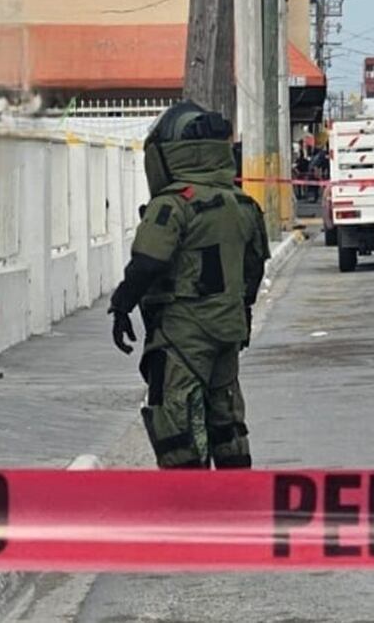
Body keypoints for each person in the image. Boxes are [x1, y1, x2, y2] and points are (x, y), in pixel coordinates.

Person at [109, 100, 269, 470]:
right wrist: (239, 310)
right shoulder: (242, 204)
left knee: (176, 424)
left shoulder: (173, 206)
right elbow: (254, 268)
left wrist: (121, 305)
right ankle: (237, 502)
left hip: (182, 332)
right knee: (226, 418)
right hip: (227, 328)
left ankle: (186, 507)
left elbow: (148, 262)